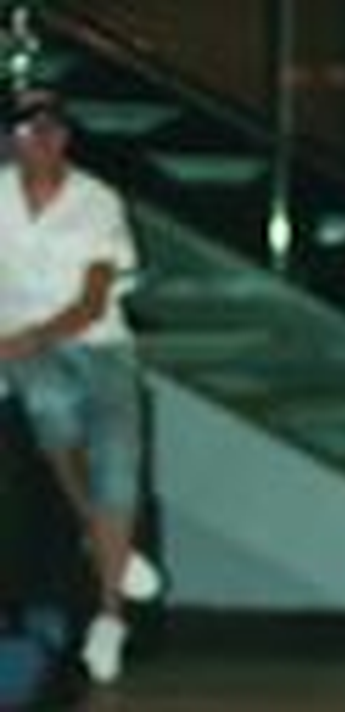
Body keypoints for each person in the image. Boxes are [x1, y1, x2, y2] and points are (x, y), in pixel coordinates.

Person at [0, 87, 161, 685]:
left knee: (119, 459)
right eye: (28, 130)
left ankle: (110, 620)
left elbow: (94, 302)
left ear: (65, 137)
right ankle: (100, 530)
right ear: (11, 139)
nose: (40, 140)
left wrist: (31, 339)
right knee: (49, 401)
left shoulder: (98, 201)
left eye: (51, 129)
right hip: (21, 344)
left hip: (97, 343)